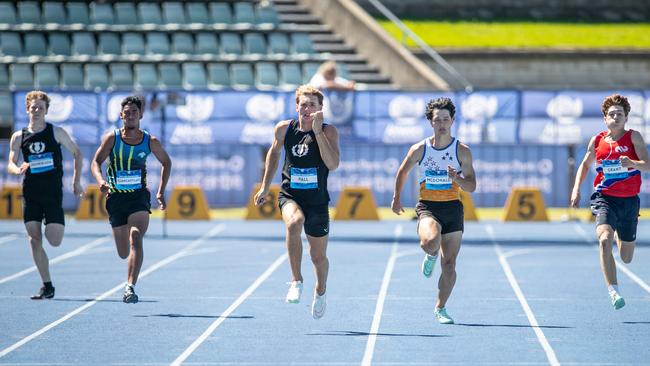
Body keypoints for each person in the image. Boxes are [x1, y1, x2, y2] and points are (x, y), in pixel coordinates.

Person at [254, 85, 340, 319]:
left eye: (312, 105)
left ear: (320, 109)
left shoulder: (329, 131)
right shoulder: (284, 129)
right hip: (290, 194)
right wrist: (264, 186)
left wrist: (318, 132)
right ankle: (296, 280)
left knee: (318, 257)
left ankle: (320, 291)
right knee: (294, 222)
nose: (307, 108)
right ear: (297, 107)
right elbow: (273, 155)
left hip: (318, 200)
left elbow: (333, 164)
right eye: (303, 104)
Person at [391, 97, 476, 324]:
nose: (442, 124)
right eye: (437, 119)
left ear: (452, 121)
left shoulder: (463, 151)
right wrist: (396, 198)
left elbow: (472, 186)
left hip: (453, 210)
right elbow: (402, 171)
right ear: (431, 122)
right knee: (430, 241)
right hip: (428, 206)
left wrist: (456, 178)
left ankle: (441, 307)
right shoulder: (421, 149)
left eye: (446, 119)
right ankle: (430, 254)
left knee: (449, 265)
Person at [570, 94, 649, 310]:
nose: (616, 117)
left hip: (629, 202)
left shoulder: (634, 138)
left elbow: (648, 165)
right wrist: (576, 190)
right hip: (604, 198)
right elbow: (585, 166)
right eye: (611, 114)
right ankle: (613, 291)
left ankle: (619, 233)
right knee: (604, 239)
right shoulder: (597, 141)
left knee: (626, 257)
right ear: (605, 118)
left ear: (626, 118)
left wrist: (632, 162)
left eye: (620, 114)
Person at [91, 96, 172, 304]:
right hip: (116, 198)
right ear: (121, 116)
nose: (130, 115)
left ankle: (130, 287)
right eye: (126, 112)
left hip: (138, 198)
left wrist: (161, 191)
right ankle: (124, 243)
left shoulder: (149, 141)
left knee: (136, 237)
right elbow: (96, 162)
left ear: (141, 115)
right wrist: (101, 181)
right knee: (122, 252)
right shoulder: (112, 138)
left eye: (134, 112)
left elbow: (166, 162)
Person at [7, 91, 83, 299]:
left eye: (40, 108)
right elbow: (11, 163)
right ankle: (47, 285)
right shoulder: (19, 136)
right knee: (33, 239)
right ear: (27, 109)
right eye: (33, 107)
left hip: (52, 194)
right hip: (31, 194)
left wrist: (76, 182)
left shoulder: (56, 132)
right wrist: (18, 169)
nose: (37, 111)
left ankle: (53, 231)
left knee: (54, 240)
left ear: (47, 111)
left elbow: (77, 153)